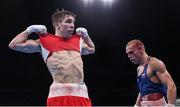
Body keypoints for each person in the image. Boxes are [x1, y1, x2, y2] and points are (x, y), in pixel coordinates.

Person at [9, 9, 95, 106]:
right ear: (57, 24)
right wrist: (30, 29)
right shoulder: (44, 41)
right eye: (68, 21)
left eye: (73, 22)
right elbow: (14, 45)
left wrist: (86, 35)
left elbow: (92, 49)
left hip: (81, 95)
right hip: (58, 96)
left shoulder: (78, 41)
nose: (72, 25)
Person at [125, 39, 176, 107]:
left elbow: (171, 85)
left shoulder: (155, 64)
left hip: (158, 104)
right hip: (144, 104)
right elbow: (142, 90)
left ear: (140, 49)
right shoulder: (139, 69)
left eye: (131, 52)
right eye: (127, 54)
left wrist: (170, 105)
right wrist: (137, 104)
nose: (129, 56)